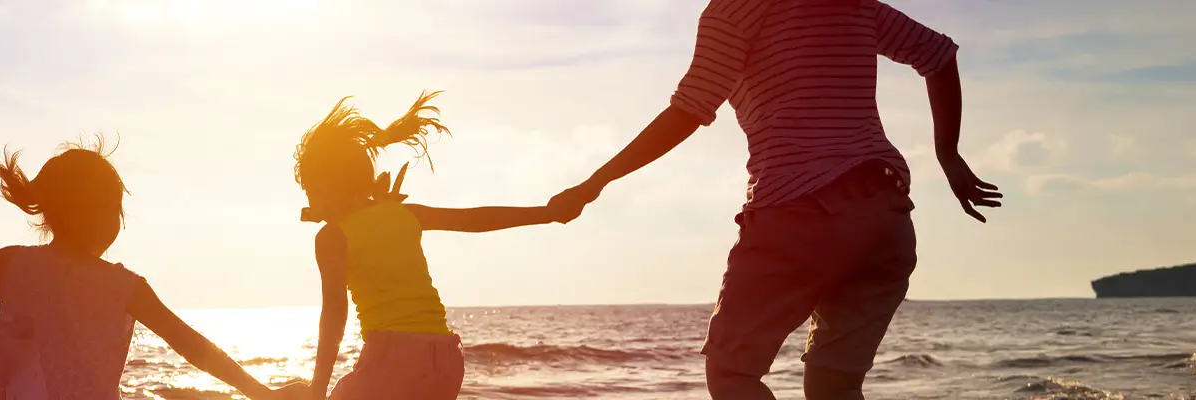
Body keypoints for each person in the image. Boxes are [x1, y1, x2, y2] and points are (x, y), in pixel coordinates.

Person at [548, 1, 1002, 399]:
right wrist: (948, 155)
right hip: (885, 216)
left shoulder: (734, 9)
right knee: (835, 386)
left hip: (798, 211)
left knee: (731, 374)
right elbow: (938, 56)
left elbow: (689, 109)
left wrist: (595, 183)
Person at [0, 140, 308, 399]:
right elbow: (192, 346)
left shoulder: (11, 263)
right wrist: (260, 392)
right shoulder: (125, 286)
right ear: (106, 216)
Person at [293, 92, 576, 399]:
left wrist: (317, 388)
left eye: (310, 189)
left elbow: (335, 312)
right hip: (446, 359)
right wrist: (546, 214)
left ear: (329, 186)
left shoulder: (332, 238)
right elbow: (474, 220)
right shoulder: (405, 214)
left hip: (393, 360)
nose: (308, 201)